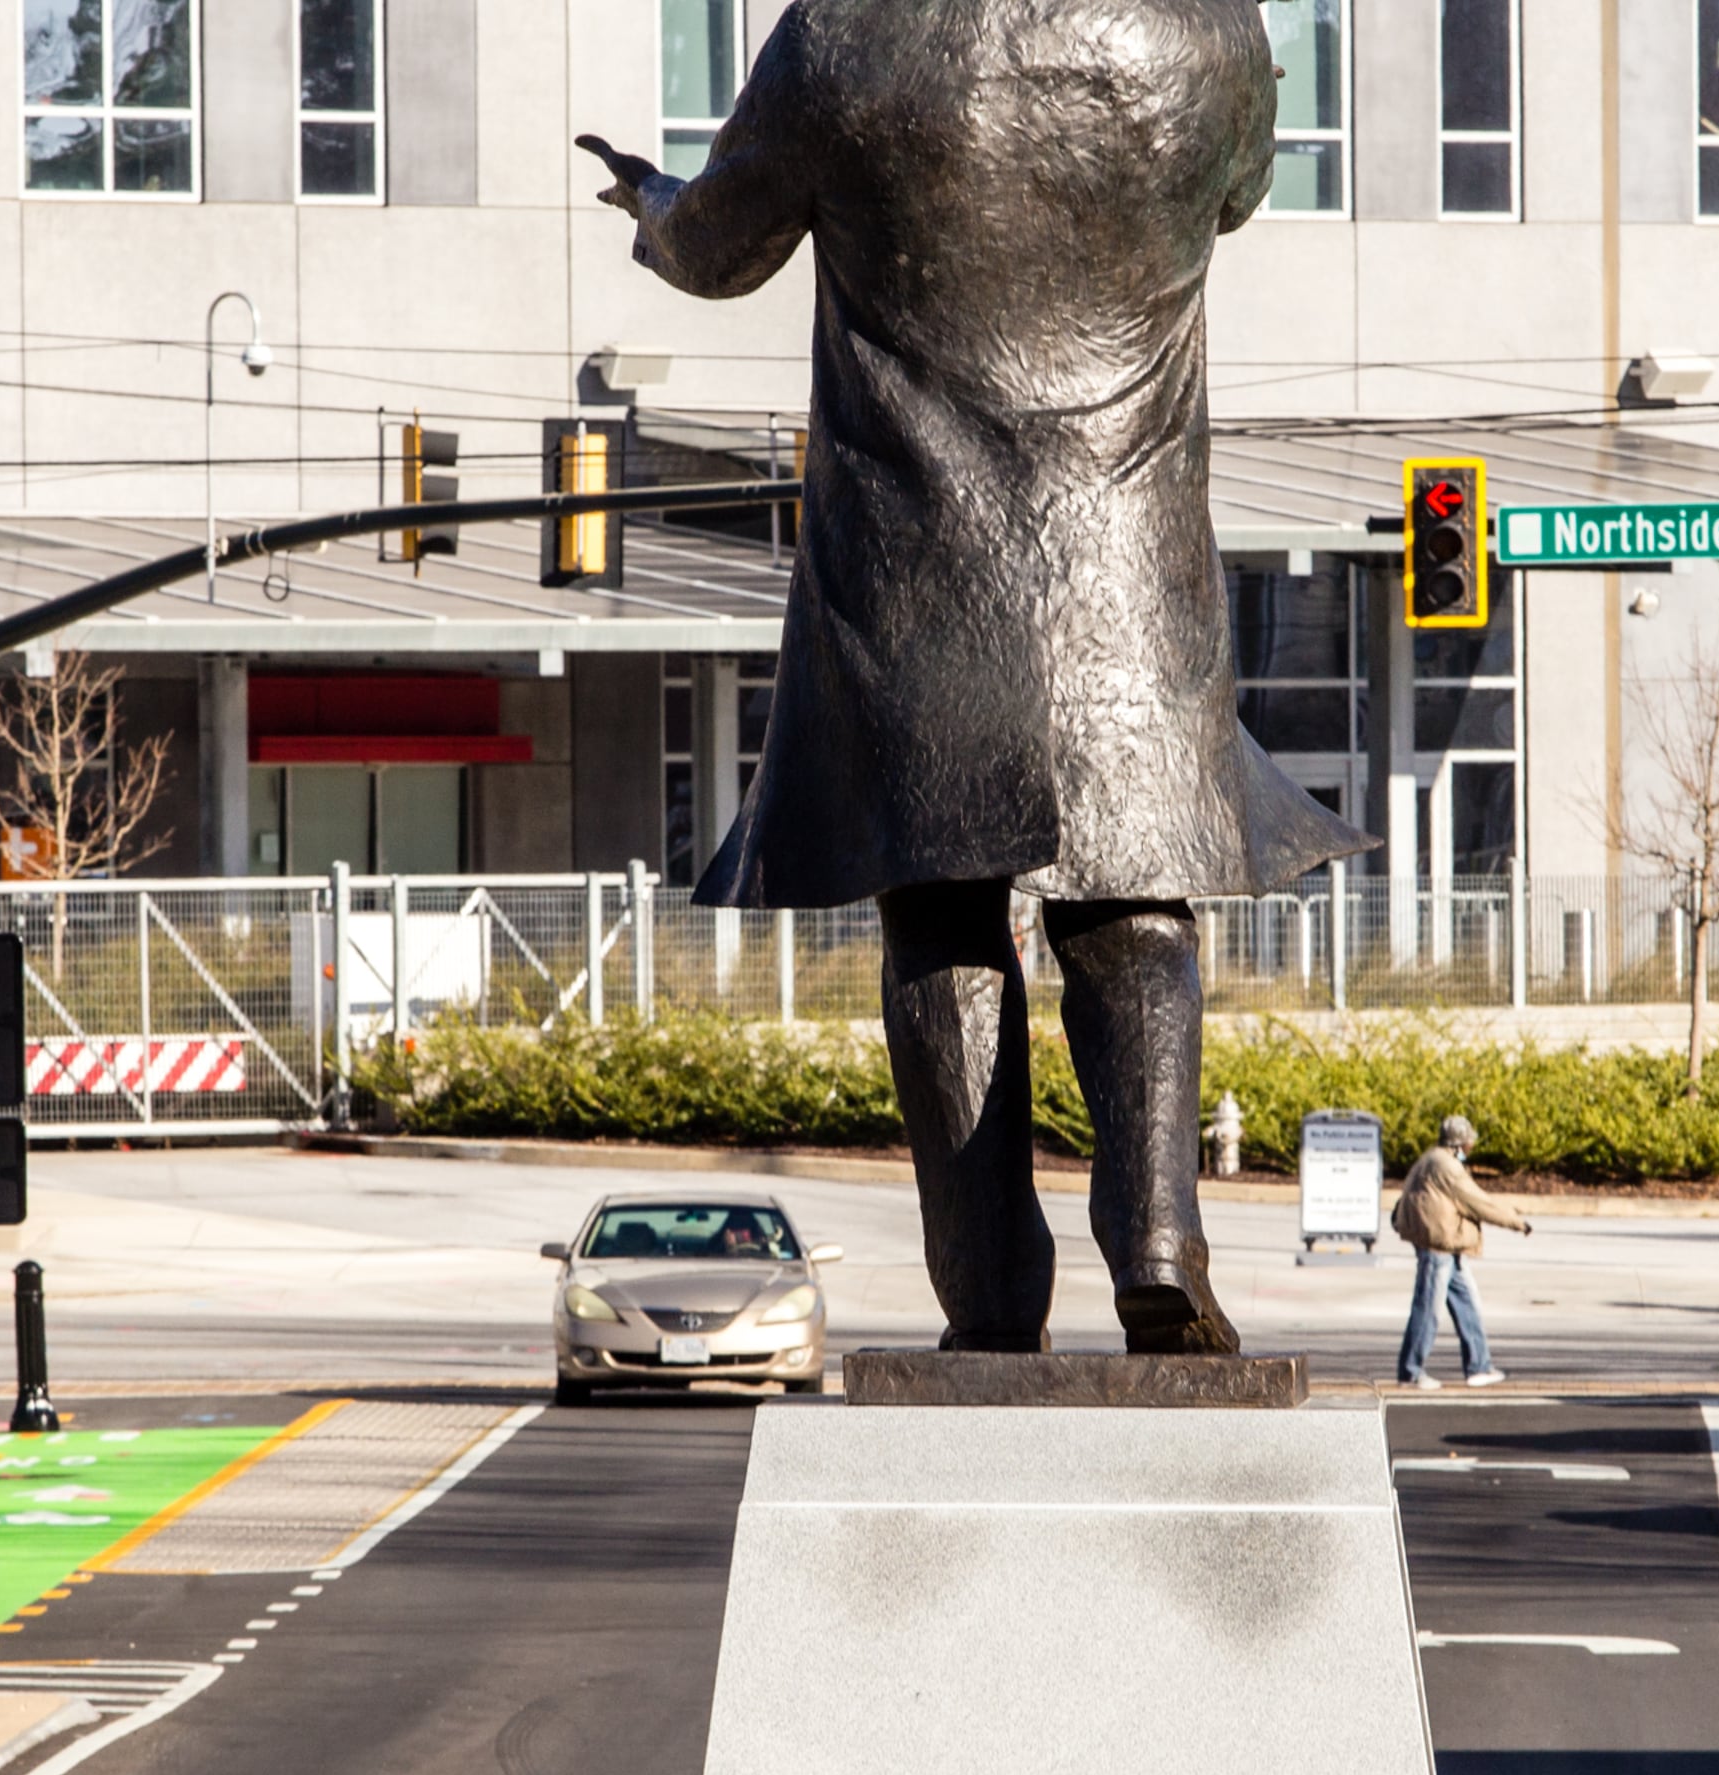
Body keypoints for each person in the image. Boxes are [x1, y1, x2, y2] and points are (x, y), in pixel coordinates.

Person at [574, 1, 1369, 1357]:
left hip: (917, 572)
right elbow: (1237, 191)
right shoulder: (1204, 34)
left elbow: (715, 248)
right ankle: (1160, 1237)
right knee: (1135, 915)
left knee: (942, 922)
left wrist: (650, 199)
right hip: (1128, 569)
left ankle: (992, 1294)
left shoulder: (841, 37)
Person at [1393, 1115, 1531, 1389]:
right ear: (1459, 1143)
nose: (1472, 1145)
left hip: (1449, 1247)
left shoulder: (1431, 1158)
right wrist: (1516, 1221)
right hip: (1438, 1248)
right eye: (1469, 1141)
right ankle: (1410, 1372)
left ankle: (1479, 1366)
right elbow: (1477, 1202)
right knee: (1428, 1309)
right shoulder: (1447, 1167)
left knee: (1468, 1306)